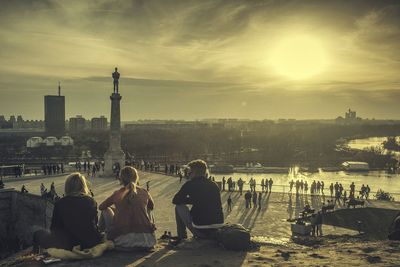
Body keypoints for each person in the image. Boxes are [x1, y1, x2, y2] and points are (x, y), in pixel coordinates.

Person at [33, 173, 102, 251]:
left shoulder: (60, 203)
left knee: (38, 234)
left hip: (69, 245)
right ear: (84, 186)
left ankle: (38, 255)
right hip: (91, 242)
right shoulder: (91, 201)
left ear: (67, 187)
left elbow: (54, 229)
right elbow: (94, 224)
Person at [99, 166, 156, 250]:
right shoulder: (144, 192)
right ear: (136, 178)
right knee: (149, 208)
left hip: (122, 240)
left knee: (105, 210)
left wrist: (117, 209)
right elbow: (151, 207)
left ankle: (102, 235)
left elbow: (101, 207)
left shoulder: (117, 193)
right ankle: (148, 230)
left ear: (121, 179)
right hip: (147, 240)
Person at [171, 160, 223, 244]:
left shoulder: (190, 184)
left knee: (178, 207)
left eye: (189, 172)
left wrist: (192, 200)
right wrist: (197, 199)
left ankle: (182, 237)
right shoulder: (214, 185)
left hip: (201, 230)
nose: (188, 174)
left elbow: (175, 200)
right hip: (218, 228)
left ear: (193, 172)